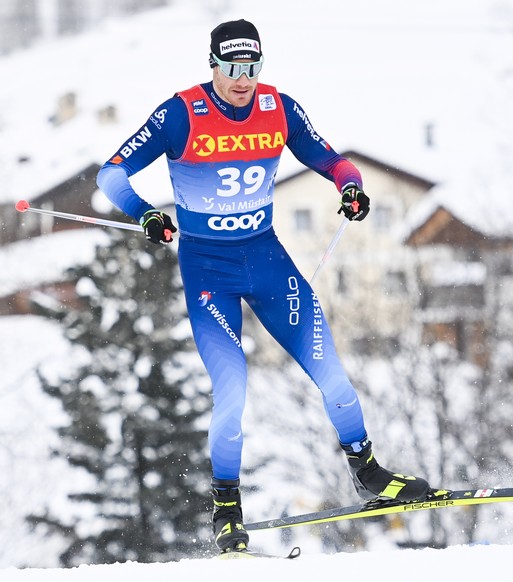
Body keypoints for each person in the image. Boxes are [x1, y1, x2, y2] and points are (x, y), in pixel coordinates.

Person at [97, 19, 432, 553]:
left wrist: (351, 187)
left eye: (251, 67)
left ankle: (369, 475)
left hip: (268, 261)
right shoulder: (181, 113)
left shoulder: (279, 108)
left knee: (333, 374)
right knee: (232, 392)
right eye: (231, 68)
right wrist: (144, 214)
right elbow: (111, 174)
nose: (242, 79)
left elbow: (332, 159)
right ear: (213, 65)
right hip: (209, 273)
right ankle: (226, 508)